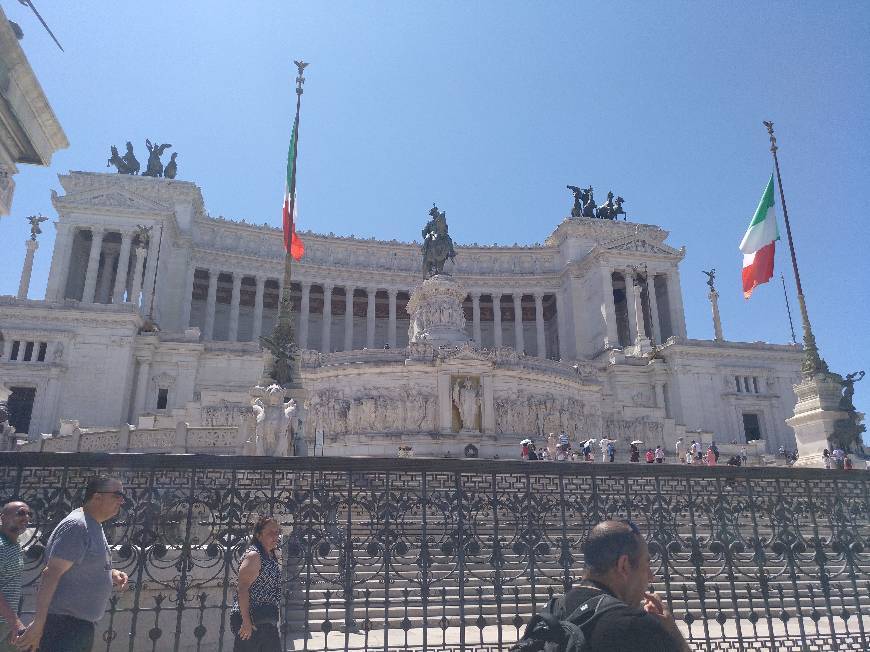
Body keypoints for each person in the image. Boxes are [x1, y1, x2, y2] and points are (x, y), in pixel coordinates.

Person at [517, 520, 689, 651]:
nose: (651, 576)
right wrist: (671, 631)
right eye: (646, 564)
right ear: (624, 565)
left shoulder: (552, 612)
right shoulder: (635, 626)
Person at [15, 476, 128, 652]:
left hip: (78, 627)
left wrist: (109, 573)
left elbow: (77, 563)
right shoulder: (77, 526)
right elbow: (51, 574)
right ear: (97, 497)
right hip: (64, 627)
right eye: (117, 495)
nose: (122, 500)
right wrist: (38, 624)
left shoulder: (93, 525)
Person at [231, 516, 282, 651]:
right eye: (270, 533)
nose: (275, 536)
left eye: (277, 532)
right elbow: (242, 588)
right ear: (259, 535)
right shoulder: (254, 555)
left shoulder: (269, 556)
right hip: (253, 621)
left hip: (266, 619)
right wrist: (246, 621)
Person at [0, 501, 29, 651]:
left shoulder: (14, 545)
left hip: (6, 623)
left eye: (28, 514)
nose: (26, 517)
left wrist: (12, 622)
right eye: (20, 513)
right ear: (2, 518)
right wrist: (15, 622)